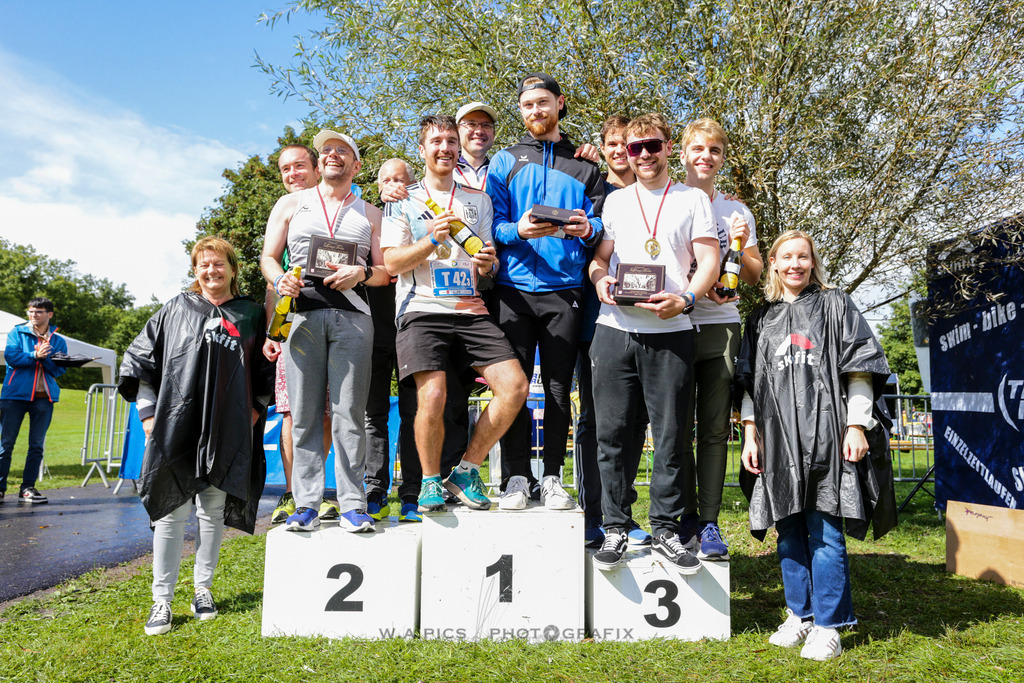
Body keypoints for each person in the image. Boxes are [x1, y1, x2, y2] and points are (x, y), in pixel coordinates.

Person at [737, 229, 897, 660]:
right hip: (777, 440)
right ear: (772, 263)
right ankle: (800, 614)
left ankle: (829, 625)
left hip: (828, 435)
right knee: (788, 529)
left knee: (825, 529)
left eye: (803, 257)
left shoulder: (835, 305)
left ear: (813, 262)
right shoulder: (760, 318)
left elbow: (860, 369)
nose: (795, 264)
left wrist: (856, 425)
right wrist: (750, 433)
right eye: (786, 256)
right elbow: (750, 384)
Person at [118, 237, 273, 636]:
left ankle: (203, 588)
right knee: (170, 512)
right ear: (195, 270)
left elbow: (265, 372)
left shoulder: (252, 314)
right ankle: (162, 600)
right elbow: (141, 360)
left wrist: (253, 412)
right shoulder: (176, 309)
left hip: (227, 430)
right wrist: (148, 415)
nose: (211, 271)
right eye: (203, 264)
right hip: (176, 425)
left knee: (212, 511)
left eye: (218, 263)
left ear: (233, 269)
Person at [588, 113, 720, 573]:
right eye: (635, 147)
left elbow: (709, 261)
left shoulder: (692, 199)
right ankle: (616, 526)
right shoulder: (616, 201)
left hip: (672, 332)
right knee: (612, 436)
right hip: (614, 330)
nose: (644, 155)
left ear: (668, 148)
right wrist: (600, 281)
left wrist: (686, 299)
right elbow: (600, 259)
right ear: (625, 152)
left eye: (653, 145)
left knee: (671, 438)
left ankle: (665, 529)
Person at [382, 115, 528, 512]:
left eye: (450, 141)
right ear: (422, 149)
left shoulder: (478, 200)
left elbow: (489, 263)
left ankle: (465, 471)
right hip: (421, 309)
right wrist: (432, 239)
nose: (445, 148)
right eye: (436, 141)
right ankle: (430, 481)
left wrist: (487, 263)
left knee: (515, 387)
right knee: (433, 395)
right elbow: (392, 262)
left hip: (471, 309)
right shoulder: (402, 199)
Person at [261, 129, 391, 533]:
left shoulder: (371, 213)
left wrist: (362, 273)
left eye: (342, 150)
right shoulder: (291, 203)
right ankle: (306, 504)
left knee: (349, 414)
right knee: (303, 414)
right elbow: (268, 258)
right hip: (301, 316)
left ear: (357, 164)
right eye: (326, 150)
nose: (333, 154)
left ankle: (352, 504)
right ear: (319, 163)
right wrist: (280, 278)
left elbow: (386, 272)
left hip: (354, 318)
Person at [487, 72, 605, 510]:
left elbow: (601, 227)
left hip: (565, 289)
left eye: (542, 102)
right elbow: (492, 227)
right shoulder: (505, 161)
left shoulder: (586, 164)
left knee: (557, 387)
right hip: (512, 289)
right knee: (513, 387)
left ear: (559, 103)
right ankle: (516, 477)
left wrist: (587, 228)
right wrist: (517, 230)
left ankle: (552, 477)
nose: (535, 110)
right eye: (527, 105)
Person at [678, 119, 764, 560]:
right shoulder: (667, 199)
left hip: (721, 325)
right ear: (682, 154)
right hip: (673, 324)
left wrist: (742, 245)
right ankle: (681, 519)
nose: (705, 157)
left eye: (714, 150)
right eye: (697, 148)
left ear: (722, 158)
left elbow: (754, 274)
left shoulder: (736, 210)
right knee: (674, 432)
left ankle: (709, 522)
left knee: (713, 431)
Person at [575, 115, 650, 547]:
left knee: (635, 422)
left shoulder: (657, 193)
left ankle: (622, 510)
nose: (622, 150)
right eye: (613, 144)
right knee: (596, 420)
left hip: (648, 324)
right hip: (596, 323)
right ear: (603, 149)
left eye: (628, 143)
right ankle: (592, 514)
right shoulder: (592, 187)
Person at [263, 143, 341, 525]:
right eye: (285, 169)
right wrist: (272, 332)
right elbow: (271, 274)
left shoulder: (342, 205)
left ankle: (316, 492)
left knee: (327, 414)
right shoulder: (286, 208)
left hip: (338, 321)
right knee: (293, 413)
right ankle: (294, 494)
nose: (292, 174)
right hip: (292, 322)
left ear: (316, 168)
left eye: (299, 166)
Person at [0, 297, 68, 505]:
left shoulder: (58, 340)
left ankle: (27, 489)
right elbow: (12, 358)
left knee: (36, 445)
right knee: (5, 444)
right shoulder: (17, 333)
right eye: (30, 311)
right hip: (14, 396)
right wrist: (34, 355)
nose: (33, 315)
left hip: (44, 399)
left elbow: (59, 369)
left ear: (49, 314)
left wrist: (44, 359)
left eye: (38, 311)